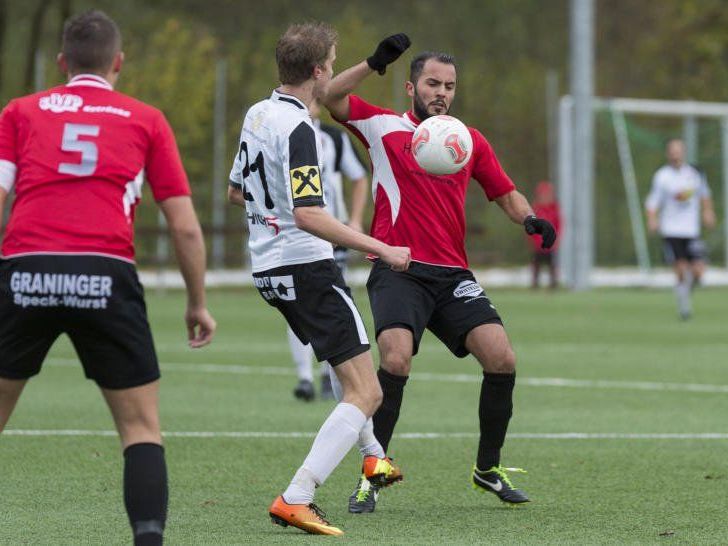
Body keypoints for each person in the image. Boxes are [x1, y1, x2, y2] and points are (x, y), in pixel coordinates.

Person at [0, 10, 216, 546]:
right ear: (118, 62)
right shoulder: (144, 118)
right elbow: (185, 229)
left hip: (26, 269)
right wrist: (197, 302)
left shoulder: (20, 112)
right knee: (140, 429)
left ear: (61, 64)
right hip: (107, 274)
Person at [321, 35, 556, 513]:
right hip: (398, 268)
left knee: (501, 357)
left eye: (449, 85)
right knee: (396, 356)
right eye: (432, 83)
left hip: (452, 276)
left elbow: (506, 194)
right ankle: (372, 472)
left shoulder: (467, 141)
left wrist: (530, 220)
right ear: (411, 87)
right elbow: (329, 97)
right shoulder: (382, 126)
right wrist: (372, 63)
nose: (441, 93)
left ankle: (487, 469)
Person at [227, 22, 410, 536]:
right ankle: (298, 495)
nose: (333, 70)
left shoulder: (256, 113)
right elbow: (309, 215)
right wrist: (381, 246)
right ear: (317, 70)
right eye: (331, 62)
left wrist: (373, 64)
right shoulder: (301, 130)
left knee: (341, 363)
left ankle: (373, 455)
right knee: (367, 391)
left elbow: (236, 192)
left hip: (267, 267)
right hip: (306, 265)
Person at [289, 99, 370, 402]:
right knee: (297, 305)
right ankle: (304, 376)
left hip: (330, 234)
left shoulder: (334, 138)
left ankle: (327, 375)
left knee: (332, 300)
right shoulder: (282, 133)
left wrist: (356, 220)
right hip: (296, 234)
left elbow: (359, 176)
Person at [646, 138, 716, 320]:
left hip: (691, 230)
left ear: (684, 152)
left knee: (698, 270)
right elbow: (652, 202)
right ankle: (684, 309)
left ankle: (684, 294)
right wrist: (652, 219)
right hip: (671, 230)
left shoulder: (695, 173)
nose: (675, 154)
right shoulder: (662, 176)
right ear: (668, 153)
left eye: (678, 150)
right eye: (672, 151)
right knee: (680, 269)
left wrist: (708, 212)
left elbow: (705, 195)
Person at [529, 181, 561, 289]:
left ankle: (553, 283)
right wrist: (533, 238)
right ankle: (535, 283)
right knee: (536, 264)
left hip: (550, 242)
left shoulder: (554, 209)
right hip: (538, 243)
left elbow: (559, 224)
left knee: (552, 264)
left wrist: (556, 238)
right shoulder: (536, 209)